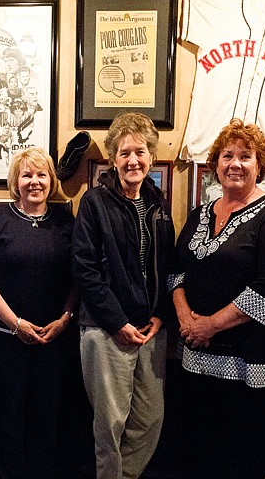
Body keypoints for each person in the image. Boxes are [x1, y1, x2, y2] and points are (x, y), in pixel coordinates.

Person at [169, 118, 265, 478]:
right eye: (227, 156)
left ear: (260, 166)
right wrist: (186, 320)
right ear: (216, 165)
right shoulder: (199, 214)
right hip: (195, 356)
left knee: (241, 457)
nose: (235, 164)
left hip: (250, 361)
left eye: (245, 156)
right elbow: (176, 272)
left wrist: (208, 326)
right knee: (200, 454)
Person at [72, 112, 175, 479]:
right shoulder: (94, 202)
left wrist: (161, 314)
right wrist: (117, 322)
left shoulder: (158, 203)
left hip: (150, 329)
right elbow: (85, 269)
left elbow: (167, 265)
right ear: (113, 158)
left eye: (141, 151)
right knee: (111, 424)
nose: (133, 160)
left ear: (152, 157)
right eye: (125, 152)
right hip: (105, 329)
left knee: (150, 419)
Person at [0, 147, 77, 479]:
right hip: (3, 340)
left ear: (51, 180)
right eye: (26, 174)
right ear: (15, 181)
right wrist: (15, 324)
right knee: (7, 419)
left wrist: (65, 318)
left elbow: (78, 277)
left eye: (41, 174)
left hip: (51, 341)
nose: (34, 181)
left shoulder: (65, 221)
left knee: (45, 421)